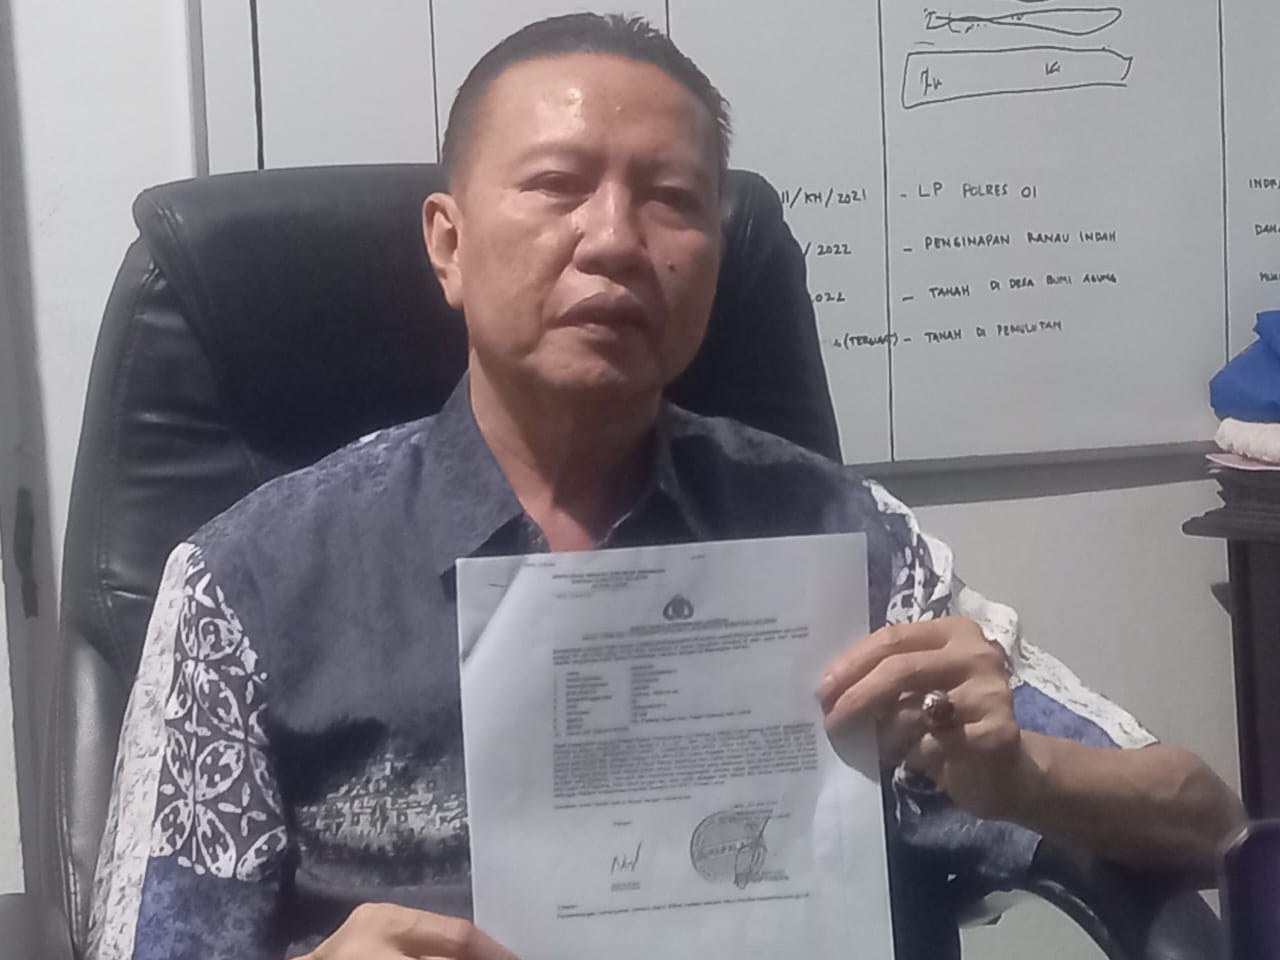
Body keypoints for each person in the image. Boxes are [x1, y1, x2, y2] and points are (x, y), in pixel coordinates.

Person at [87, 13, 1243, 960]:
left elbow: (1203, 819)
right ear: (447, 243)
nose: (614, 239)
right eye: (556, 184)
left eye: (672, 199)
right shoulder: (251, 585)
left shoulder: (844, 543)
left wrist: (1021, 775)